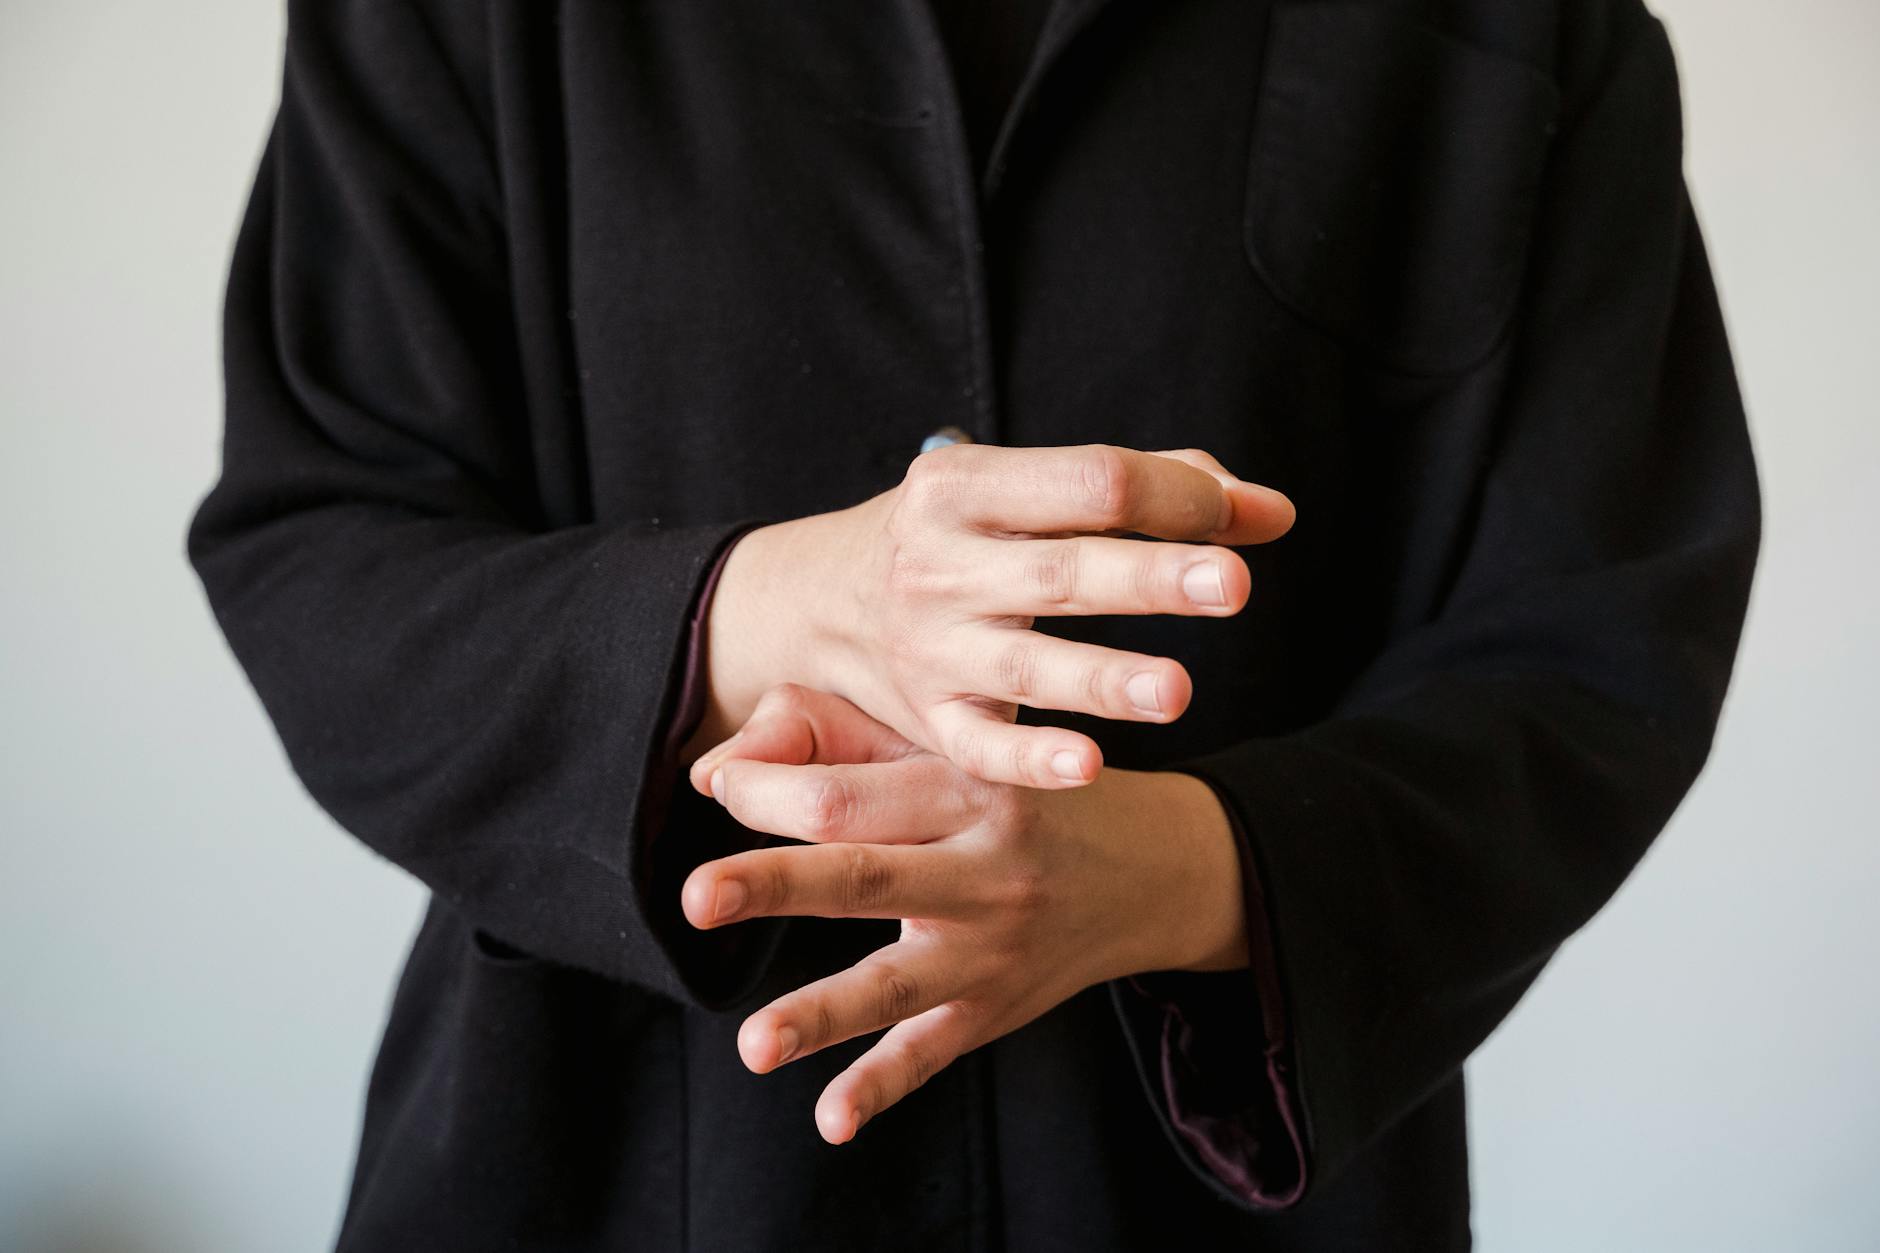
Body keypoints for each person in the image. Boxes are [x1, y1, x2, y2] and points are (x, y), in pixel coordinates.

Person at [187, 0, 1760, 1248]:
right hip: (591, 1170)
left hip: (1221, 1204)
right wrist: (761, 613)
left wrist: (1190, 870)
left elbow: (1606, 644)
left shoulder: (1538, 27)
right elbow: (321, 543)